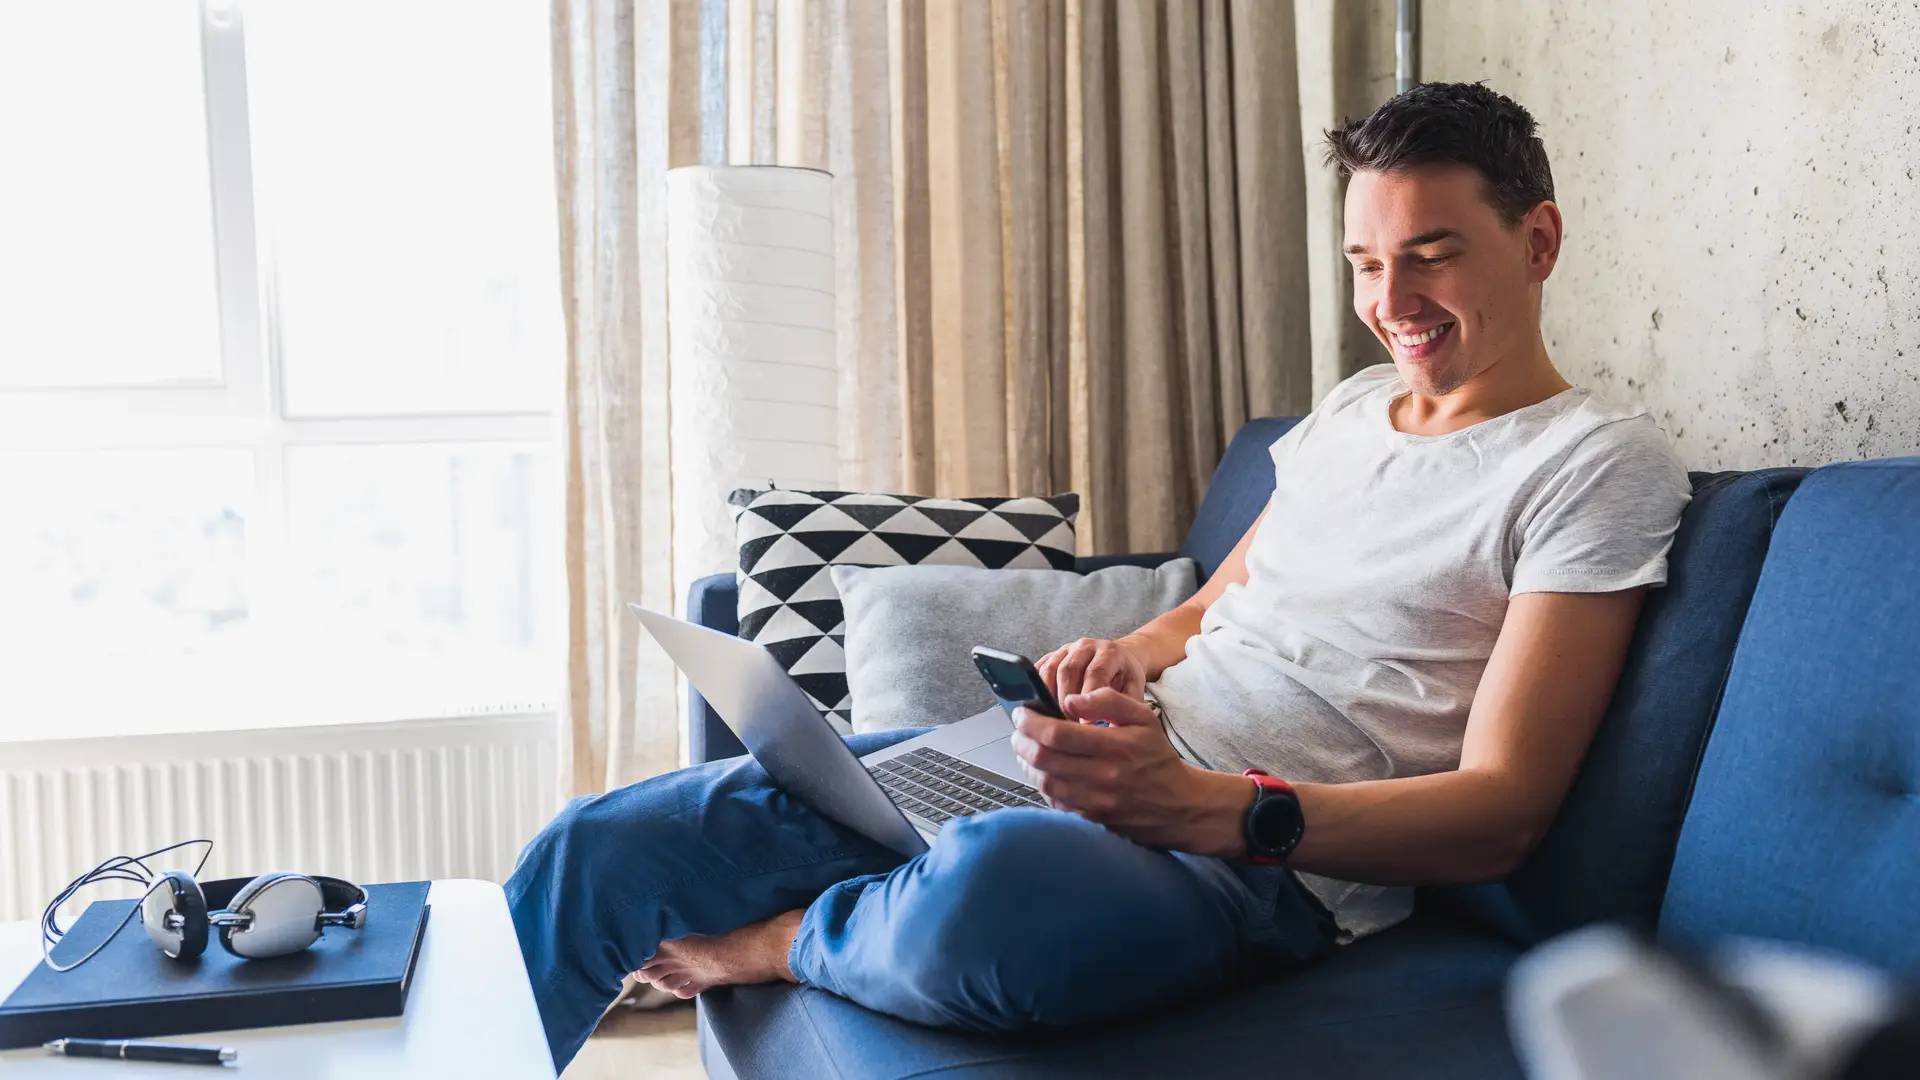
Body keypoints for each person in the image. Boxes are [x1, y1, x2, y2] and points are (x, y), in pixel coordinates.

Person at [505, 82, 1692, 1073]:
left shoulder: (1593, 464)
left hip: (1251, 866)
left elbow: (1501, 811)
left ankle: (785, 942)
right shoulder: (1350, 412)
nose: (1391, 304)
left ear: (1537, 241)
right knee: (599, 844)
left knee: (991, 895)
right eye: (1367, 263)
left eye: (1432, 257)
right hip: (1092, 766)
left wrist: (1204, 806)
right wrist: (1118, 661)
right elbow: (1207, 610)